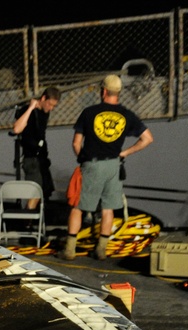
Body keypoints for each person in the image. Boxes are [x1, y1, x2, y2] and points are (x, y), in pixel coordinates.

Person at [61, 74, 153, 261]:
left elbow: (76, 142)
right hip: (114, 166)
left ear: (103, 91)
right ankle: (101, 249)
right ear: (118, 93)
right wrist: (125, 153)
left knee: (78, 207)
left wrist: (82, 159)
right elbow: (147, 138)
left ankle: (69, 250)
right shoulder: (127, 115)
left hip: (92, 165)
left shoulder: (89, 112)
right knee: (108, 209)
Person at [12, 86, 61, 210]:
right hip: (31, 158)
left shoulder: (45, 113)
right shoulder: (27, 111)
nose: (51, 108)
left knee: (45, 190)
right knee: (35, 192)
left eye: (54, 106)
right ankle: (26, 222)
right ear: (43, 98)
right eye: (49, 104)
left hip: (41, 157)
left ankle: (32, 220)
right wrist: (30, 108)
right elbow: (17, 129)